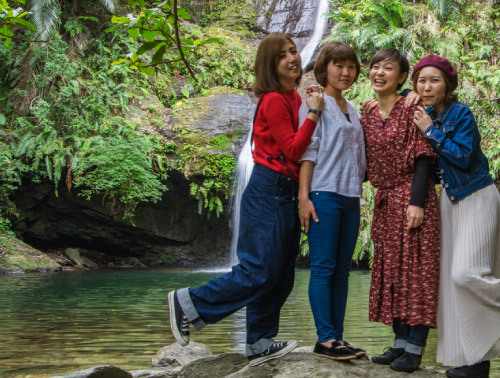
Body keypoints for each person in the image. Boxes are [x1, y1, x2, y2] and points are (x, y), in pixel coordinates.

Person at [166, 32, 325, 367]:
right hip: (268, 189)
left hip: (283, 191)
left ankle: (259, 341)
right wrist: (313, 114)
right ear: (270, 64)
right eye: (282, 55)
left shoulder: (291, 97)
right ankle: (190, 302)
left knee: (280, 274)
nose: (292, 58)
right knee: (259, 270)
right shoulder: (273, 100)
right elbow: (294, 149)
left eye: (294, 51)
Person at [410, 54, 500, 378]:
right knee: (454, 289)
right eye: (421, 80)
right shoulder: (426, 115)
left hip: (476, 196)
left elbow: (464, 157)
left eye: (434, 80)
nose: (427, 86)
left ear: (447, 84)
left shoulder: (459, 113)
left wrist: (431, 131)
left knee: (466, 275)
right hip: (450, 202)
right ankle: (474, 364)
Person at [360, 48, 441, 373]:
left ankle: (415, 348)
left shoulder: (413, 107)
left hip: (412, 197)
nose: (379, 73)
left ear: (402, 77)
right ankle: (399, 344)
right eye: (375, 67)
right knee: (391, 273)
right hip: (386, 202)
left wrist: (417, 202)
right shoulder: (366, 114)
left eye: (388, 68)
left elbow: (423, 156)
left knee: (417, 274)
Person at [297, 41, 367, 361]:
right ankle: (325, 338)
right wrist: (304, 197)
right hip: (323, 194)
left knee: (341, 272)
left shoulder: (352, 109)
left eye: (351, 66)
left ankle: (338, 337)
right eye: (338, 65)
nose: (345, 72)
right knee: (323, 268)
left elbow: (359, 159)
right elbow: (307, 153)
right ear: (325, 67)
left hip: (350, 196)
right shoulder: (315, 102)